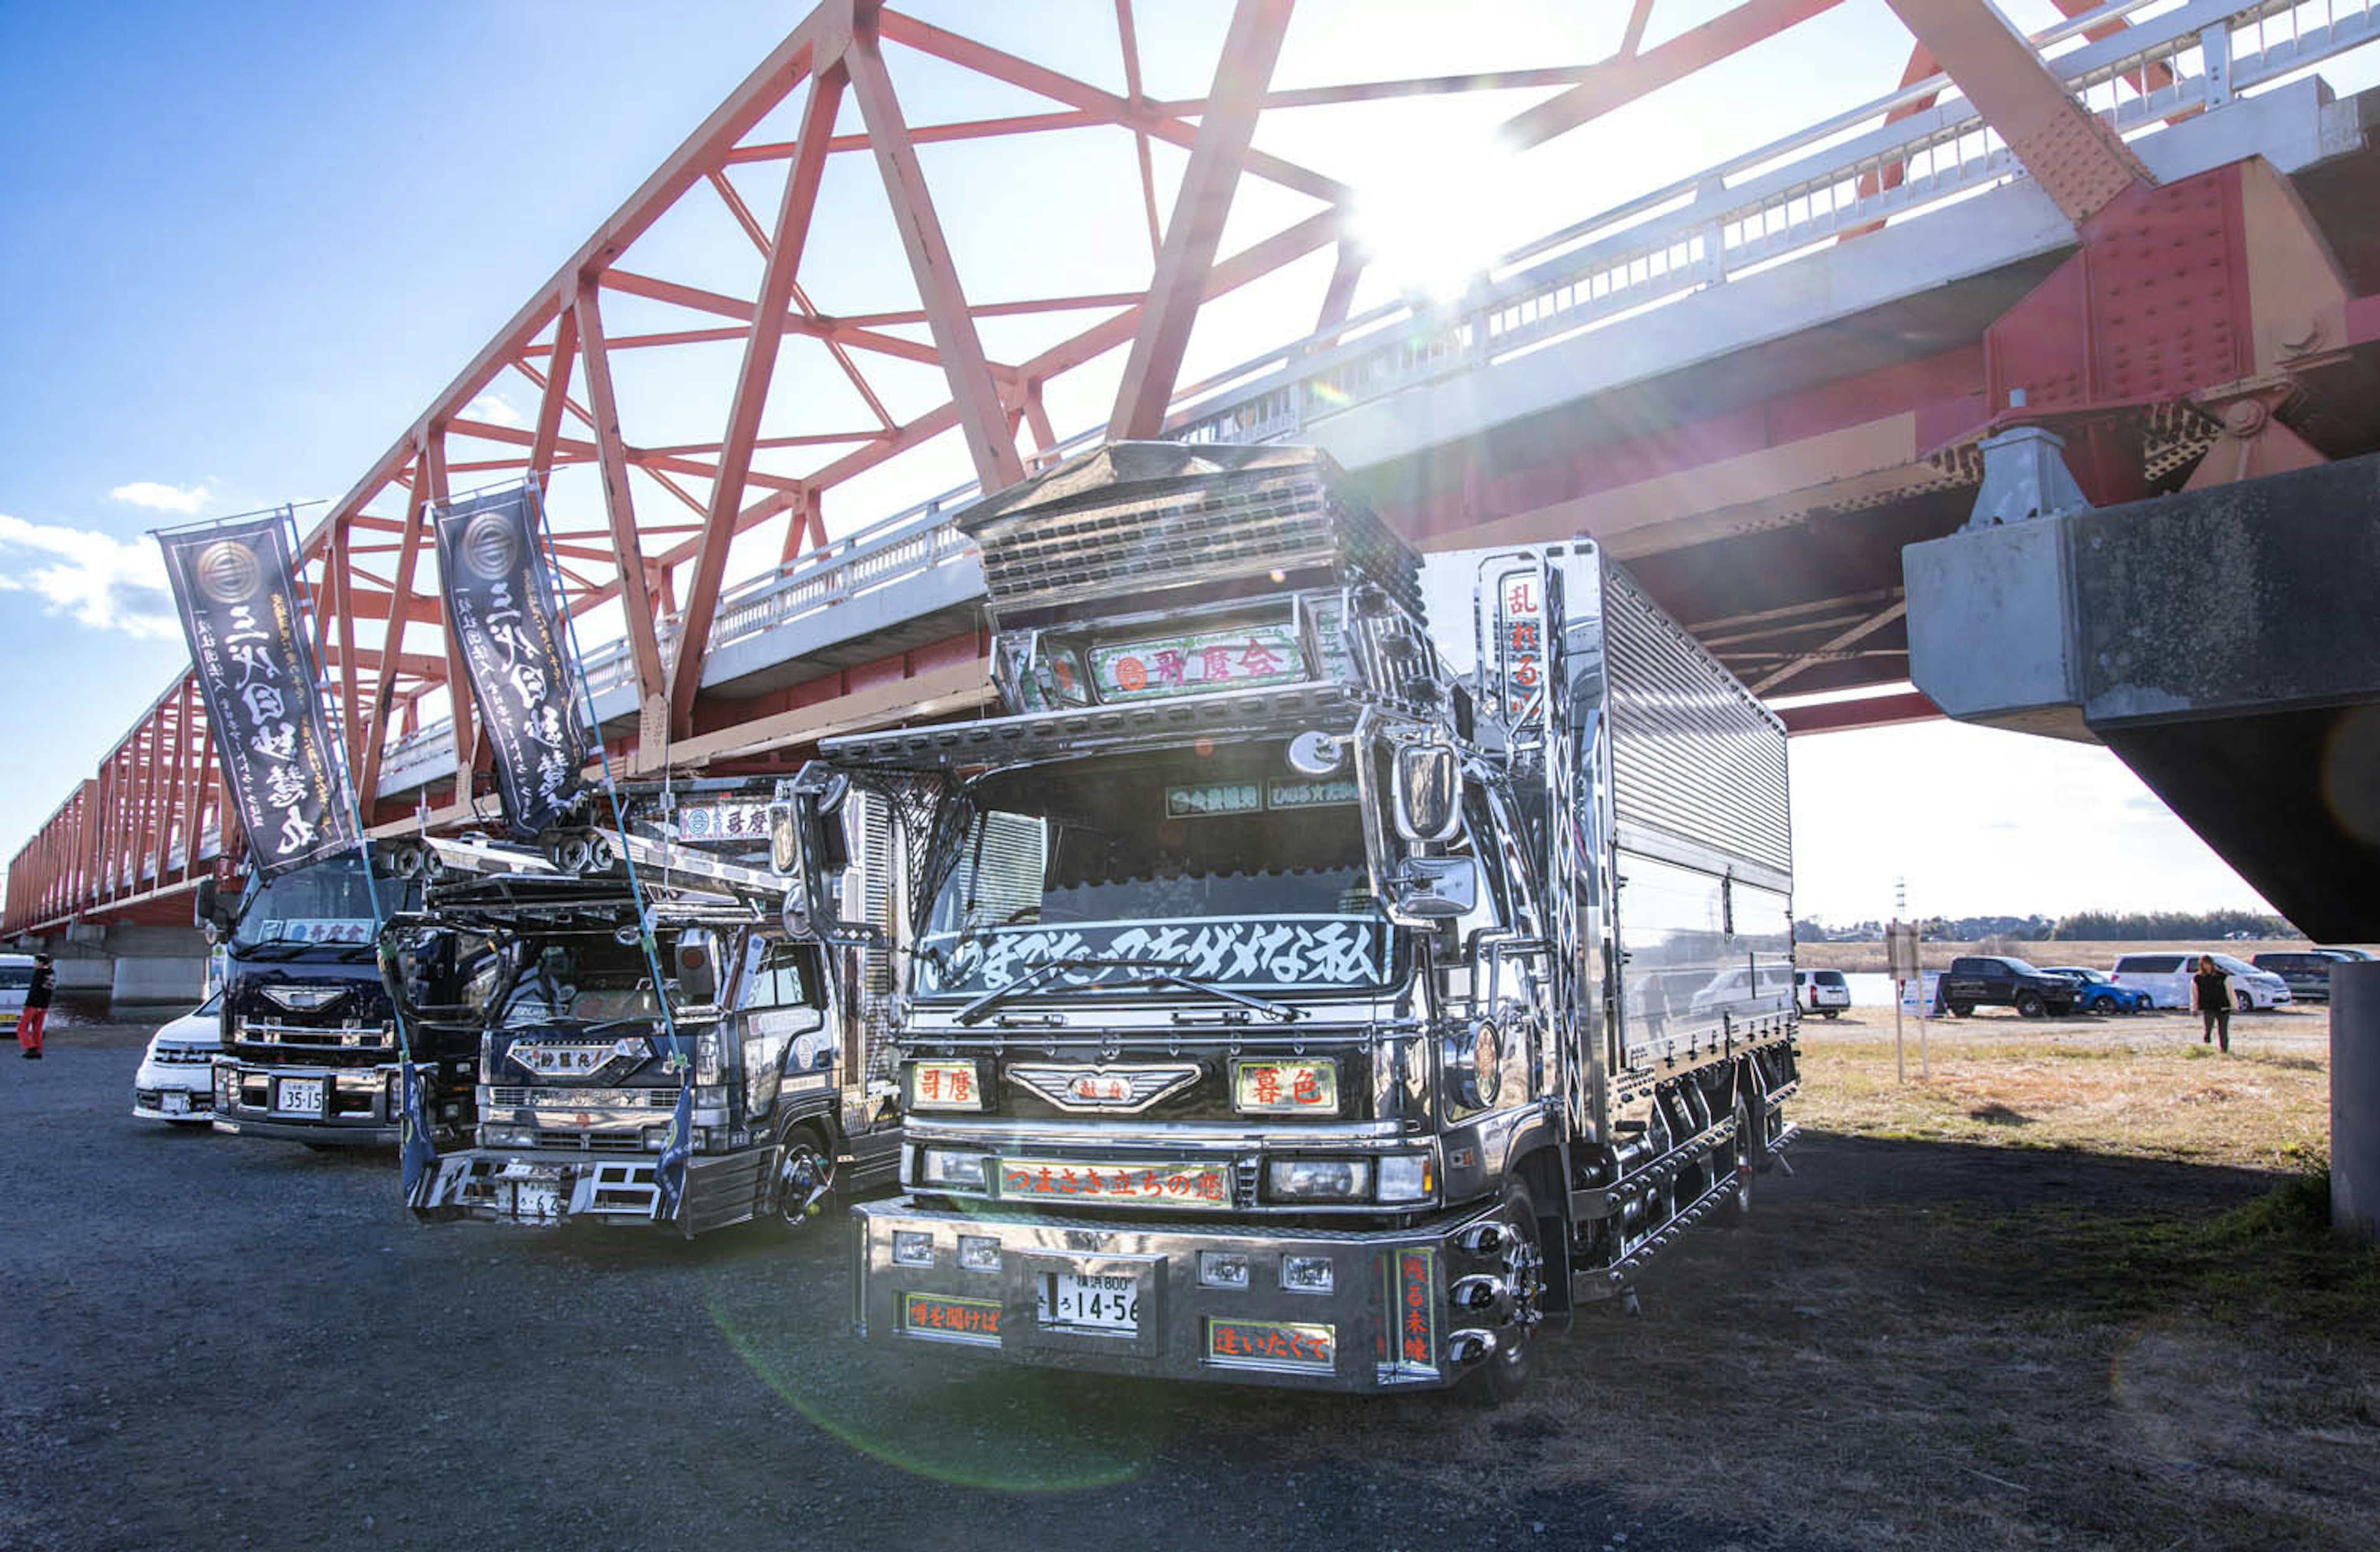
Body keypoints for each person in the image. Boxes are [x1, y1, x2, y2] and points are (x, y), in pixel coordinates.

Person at [2190, 954, 2232, 1054]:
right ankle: (2207, 1043)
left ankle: (2224, 1050)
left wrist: (2235, 1006)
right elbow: (2194, 995)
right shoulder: (2198, 978)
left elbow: (2230, 992)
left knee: (2223, 1031)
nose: (2207, 966)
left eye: (2208, 964)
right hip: (2208, 1007)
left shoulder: (2222, 976)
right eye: (2204, 964)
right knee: (2208, 1027)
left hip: (2223, 1006)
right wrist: (2194, 1008)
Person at [17, 952, 55, 1059]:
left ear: (40, 962)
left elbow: (34, 991)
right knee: (37, 1028)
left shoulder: (39, 973)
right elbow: (48, 991)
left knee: (21, 1028)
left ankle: (30, 1048)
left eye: (36, 961)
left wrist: (27, 1004)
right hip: (44, 1006)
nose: (34, 964)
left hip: (33, 1005)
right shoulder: (51, 973)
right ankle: (38, 1050)